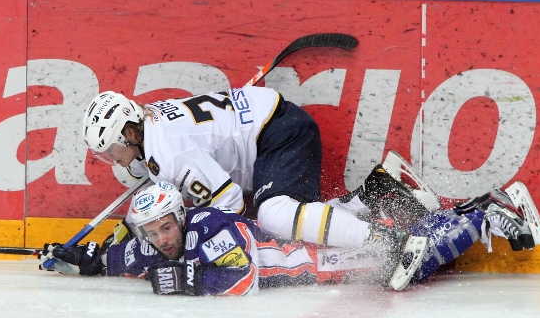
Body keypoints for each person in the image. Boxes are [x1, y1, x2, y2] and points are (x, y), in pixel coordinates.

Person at [38, 178, 540, 295]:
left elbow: (242, 279)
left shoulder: (209, 225)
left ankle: (486, 212)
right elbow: (115, 256)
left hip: (315, 260)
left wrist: (184, 279)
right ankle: (388, 186)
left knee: (401, 261)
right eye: (153, 232)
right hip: (309, 262)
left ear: (181, 214)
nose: (163, 238)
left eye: (167, 226)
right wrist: (71, 259)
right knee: (398, 255)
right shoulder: (151, 241)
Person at [81, 88, 429, 254]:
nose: (113, 159)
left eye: (111, 150)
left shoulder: (168, 153)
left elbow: (229, 200)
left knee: (275, 217)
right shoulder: (151, 120)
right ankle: (379, 190)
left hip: (278, 133)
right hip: (272, 127)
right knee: (294, 222)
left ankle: (388, 243)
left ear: (129, 134)